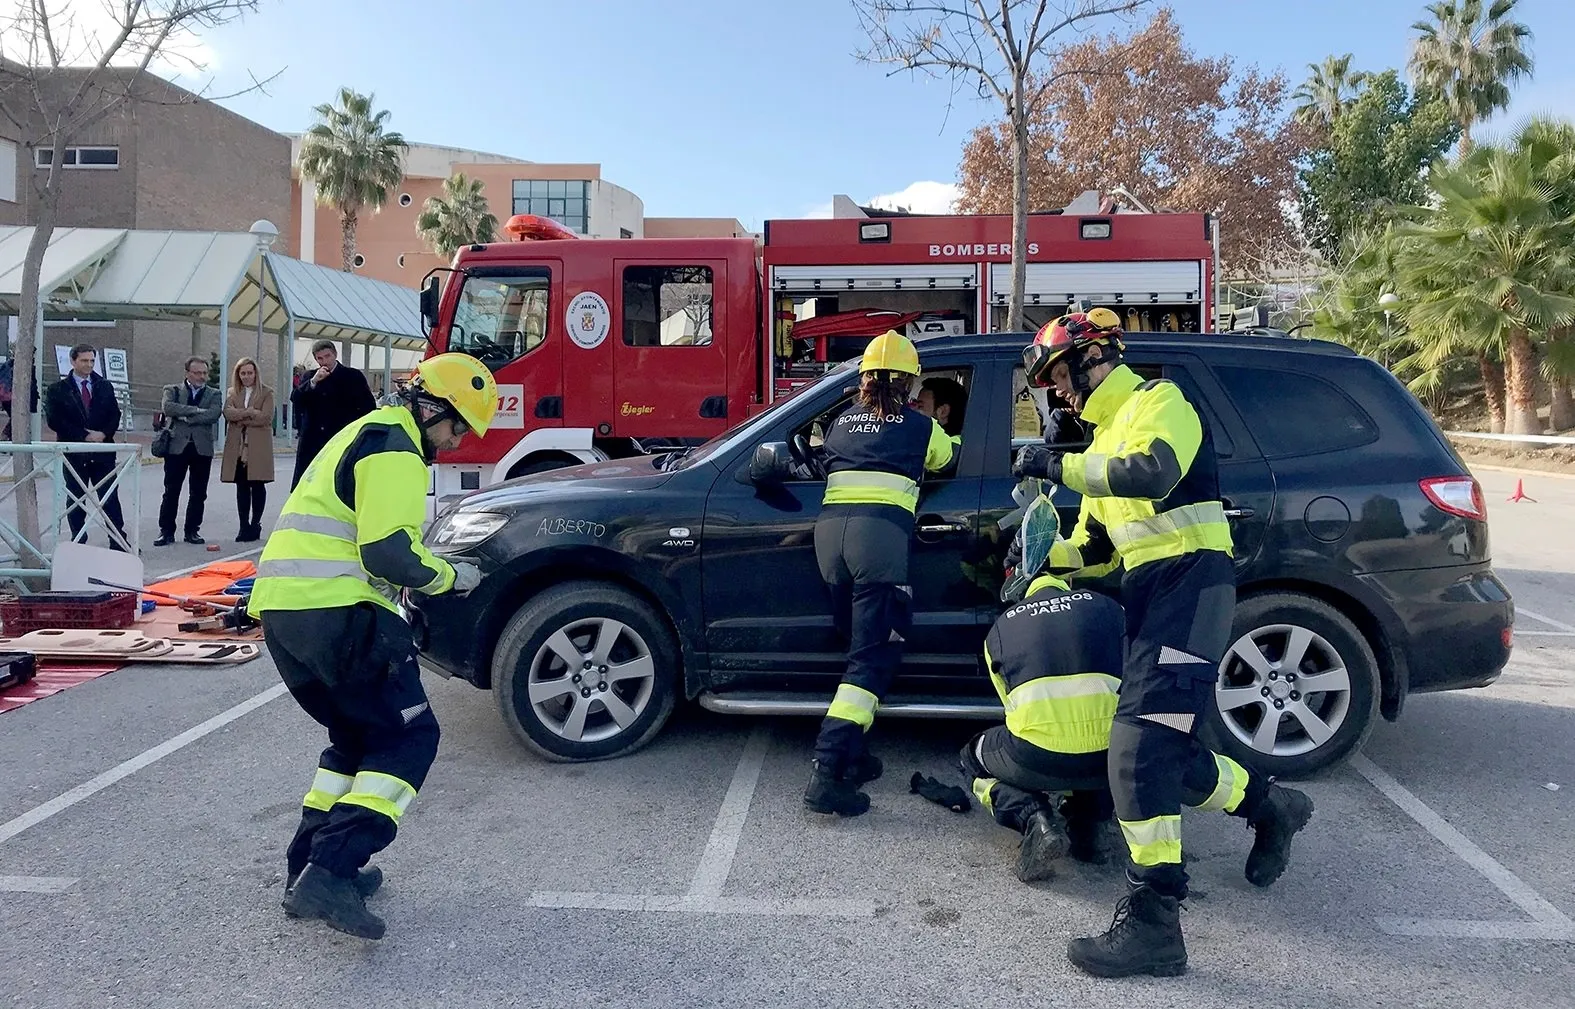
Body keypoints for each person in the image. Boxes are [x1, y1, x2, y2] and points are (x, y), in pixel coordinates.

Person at [1013, 308, 1314, 978]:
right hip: (1151, 596)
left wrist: (1058, 466)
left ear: (1093, 359)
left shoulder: (1158, 402)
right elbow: (1094, 550)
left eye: (1058, 375)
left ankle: (1155, 924)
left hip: (1192, 586)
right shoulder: (1098, 445)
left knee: (1138, 751)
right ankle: (1273, 805)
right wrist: (1034, 557)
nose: (1056, 392)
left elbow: (1150, 473)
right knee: (1161, 752)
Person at [251, 352, 495, 941]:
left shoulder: (365, 432)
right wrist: (448, 576)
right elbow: (386, 553)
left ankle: (307, 869)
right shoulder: (396, 446)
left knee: (356, 739)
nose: (456, 442)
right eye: (458, 426)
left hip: (287, 616)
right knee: (410, 736)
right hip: (343, 615)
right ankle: (331, 871)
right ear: (431, 406)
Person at [962, 486, 1313, 893]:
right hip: (1121, 754)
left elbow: (1016, 712)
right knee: (1164, 754)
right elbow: (1139, 680)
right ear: (1066, 575)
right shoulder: (1110, 609)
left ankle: (1033, 817)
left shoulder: (998, 632)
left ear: (1017, 585)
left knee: (975, 757)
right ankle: (1265, 803)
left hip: (1041, 759)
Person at [803, 330, 956, 817]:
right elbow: (946, 459)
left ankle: (854, 756)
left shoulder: (840, 421)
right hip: (879, 541)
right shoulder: (921, 425)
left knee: (856, 649)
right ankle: (826, 770)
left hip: (831, 540)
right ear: (910, 384)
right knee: (872, 659)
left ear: (865, 378)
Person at [43, 344, 128, 548]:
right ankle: (78, 541)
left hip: (102, 452)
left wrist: (103, 434)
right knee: (76, 499)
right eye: (84, 361)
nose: (89, 365)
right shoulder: (58, 389)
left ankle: (118, 541)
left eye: (92, 361)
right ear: (73, 361)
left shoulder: (104, 386)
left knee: (109, 498)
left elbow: (114, 414)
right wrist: (84, 436)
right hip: (74, 454)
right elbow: (55, 420)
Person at [289, 340, 377, 490]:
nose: (325, 361)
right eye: (320, 358)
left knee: (339, 482)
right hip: (313, 440)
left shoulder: (352, 376)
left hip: (342, 436)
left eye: (327, 356)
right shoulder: (310, 376)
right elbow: (296, 398)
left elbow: (368, 407)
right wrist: (313, 382)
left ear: (335, 355)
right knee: (311, 483)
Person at [154, 356, 223, 546]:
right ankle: (166, 531)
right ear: (187, 373)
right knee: (171, 490)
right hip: (176, 447)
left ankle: (192, 531)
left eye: (204, 373)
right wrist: (198, 410)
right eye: (197, 373)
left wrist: (186, 416)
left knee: (198, 493)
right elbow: (168, 408)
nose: (201, 377)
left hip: (202, 448)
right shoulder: (172, 390)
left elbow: (214, 414)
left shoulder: (214, 393)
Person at [220, 357, 275, 543]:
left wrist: (240, 418)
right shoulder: (233, 392)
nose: (246, 376)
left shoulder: (267, 392)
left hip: (258, 445)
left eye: (249, 373)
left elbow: (266, 417)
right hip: (237, 446)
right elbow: (227, 413)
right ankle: (243, 525)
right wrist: (249, 412)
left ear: (255, 374)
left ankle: (255, 524)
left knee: (257, 485)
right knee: (241, 486)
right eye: (243, 373)